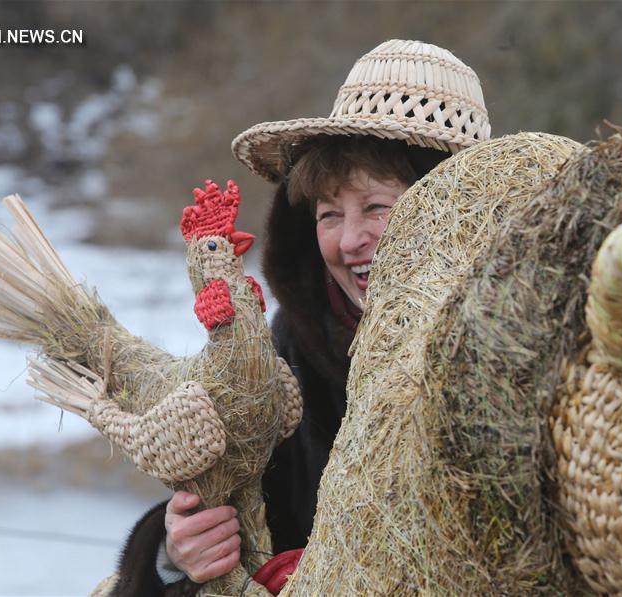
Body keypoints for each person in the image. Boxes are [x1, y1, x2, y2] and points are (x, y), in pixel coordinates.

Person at [114, 39, 491, 594]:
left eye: (378, 207)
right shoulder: (299, 346)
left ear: (453, 210)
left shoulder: (518, 344)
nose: (350, 241)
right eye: (329, 214)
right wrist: (178, 549)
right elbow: (254, 512)